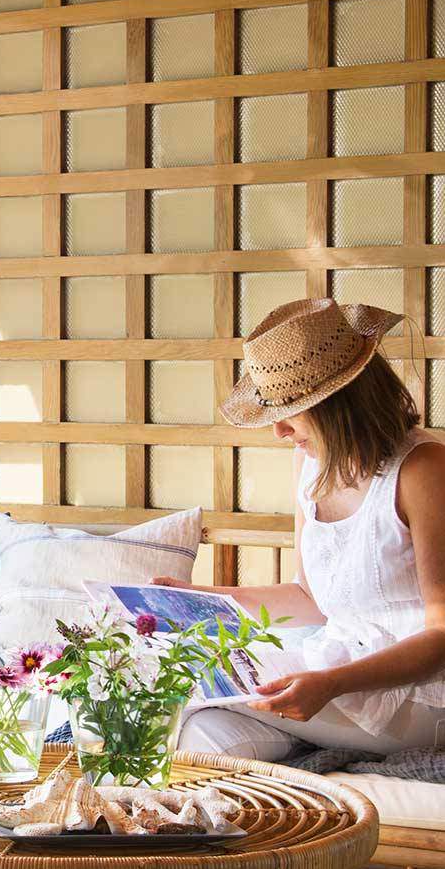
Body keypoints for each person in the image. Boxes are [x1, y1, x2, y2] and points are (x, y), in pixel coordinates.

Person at [170, 297, 445, 765]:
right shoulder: (310, 462)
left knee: (177, 681)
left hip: (416, 694)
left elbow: (442, 634)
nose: (278, 431)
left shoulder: (423, 469)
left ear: (338, 404)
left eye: (289, 411)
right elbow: (310, 598)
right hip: (333, 666)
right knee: (205, 734)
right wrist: (197, 597)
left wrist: (331, 684)